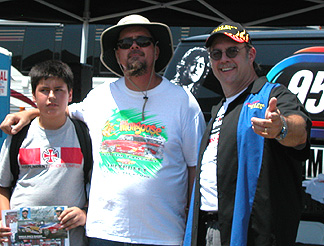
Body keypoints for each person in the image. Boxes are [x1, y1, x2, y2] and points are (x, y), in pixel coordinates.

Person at [0, 15, 206, 245]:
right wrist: (28, 113)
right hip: (104, 233)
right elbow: (60, 109)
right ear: (117, 55)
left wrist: (192, 225)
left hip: (163, 234)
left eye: (143, 41)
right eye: (125, 44)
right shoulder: (99, 97)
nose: (134, 47)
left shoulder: (183, 102)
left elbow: (194, 169)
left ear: (156, 51)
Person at [184, 22, 312, 246]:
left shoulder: (272, 95)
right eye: (216, 53)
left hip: (251, 234)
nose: (223, 59)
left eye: (232, 51)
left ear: (250, 54)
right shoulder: (219, 108)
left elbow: (300, 130)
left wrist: (280, 127)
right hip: (206, 227)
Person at [0, 60, 90, 246]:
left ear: (70, 94)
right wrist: (3, 220)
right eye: (44, 90)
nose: (51, 96)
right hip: (21, 239)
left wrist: (84, 214)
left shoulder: (84, 136)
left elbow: (98, 188)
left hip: (71, 239)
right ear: (33, 95)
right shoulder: (18, 135)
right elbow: (2, 186)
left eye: (59, 90)